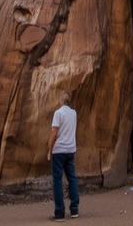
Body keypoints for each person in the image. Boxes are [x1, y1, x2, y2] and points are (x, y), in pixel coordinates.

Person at [47, 93, 79, 221]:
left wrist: (49, 149)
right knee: (72, 178)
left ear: (60, 101)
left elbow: (54, 132)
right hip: (71, 149)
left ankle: (59, 213)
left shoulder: (58, 113)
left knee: (58, 180)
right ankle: (74, 209)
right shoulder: (73, 113)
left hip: (59, 149)